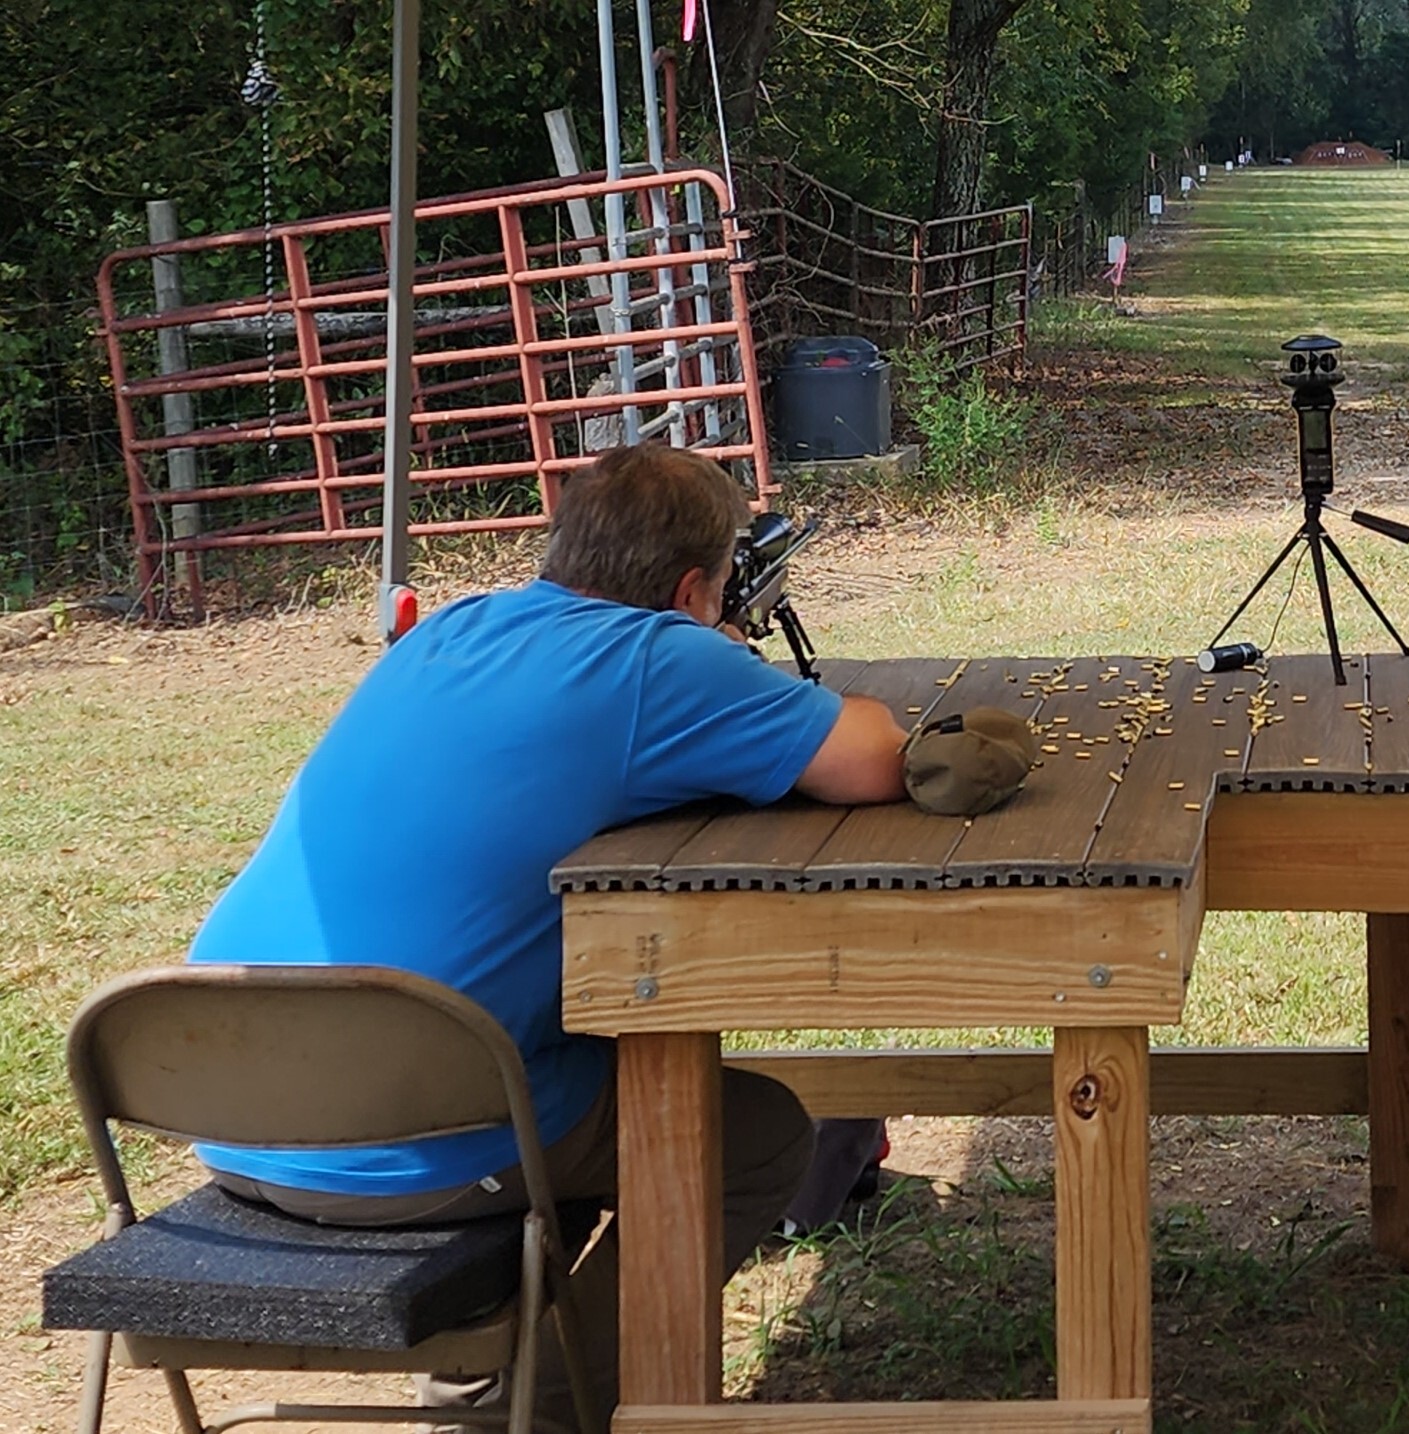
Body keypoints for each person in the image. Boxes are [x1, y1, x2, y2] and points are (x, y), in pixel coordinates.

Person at [185, 444, 913, 1428]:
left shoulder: (450, 630)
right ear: (696, 589)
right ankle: (536, 1408)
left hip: (222, 1102)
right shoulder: (662, 657)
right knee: (755, 1132)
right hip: (414, 1145)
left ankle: (494, 1374)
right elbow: (872, 757)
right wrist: (722, 656)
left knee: (588, 1060)